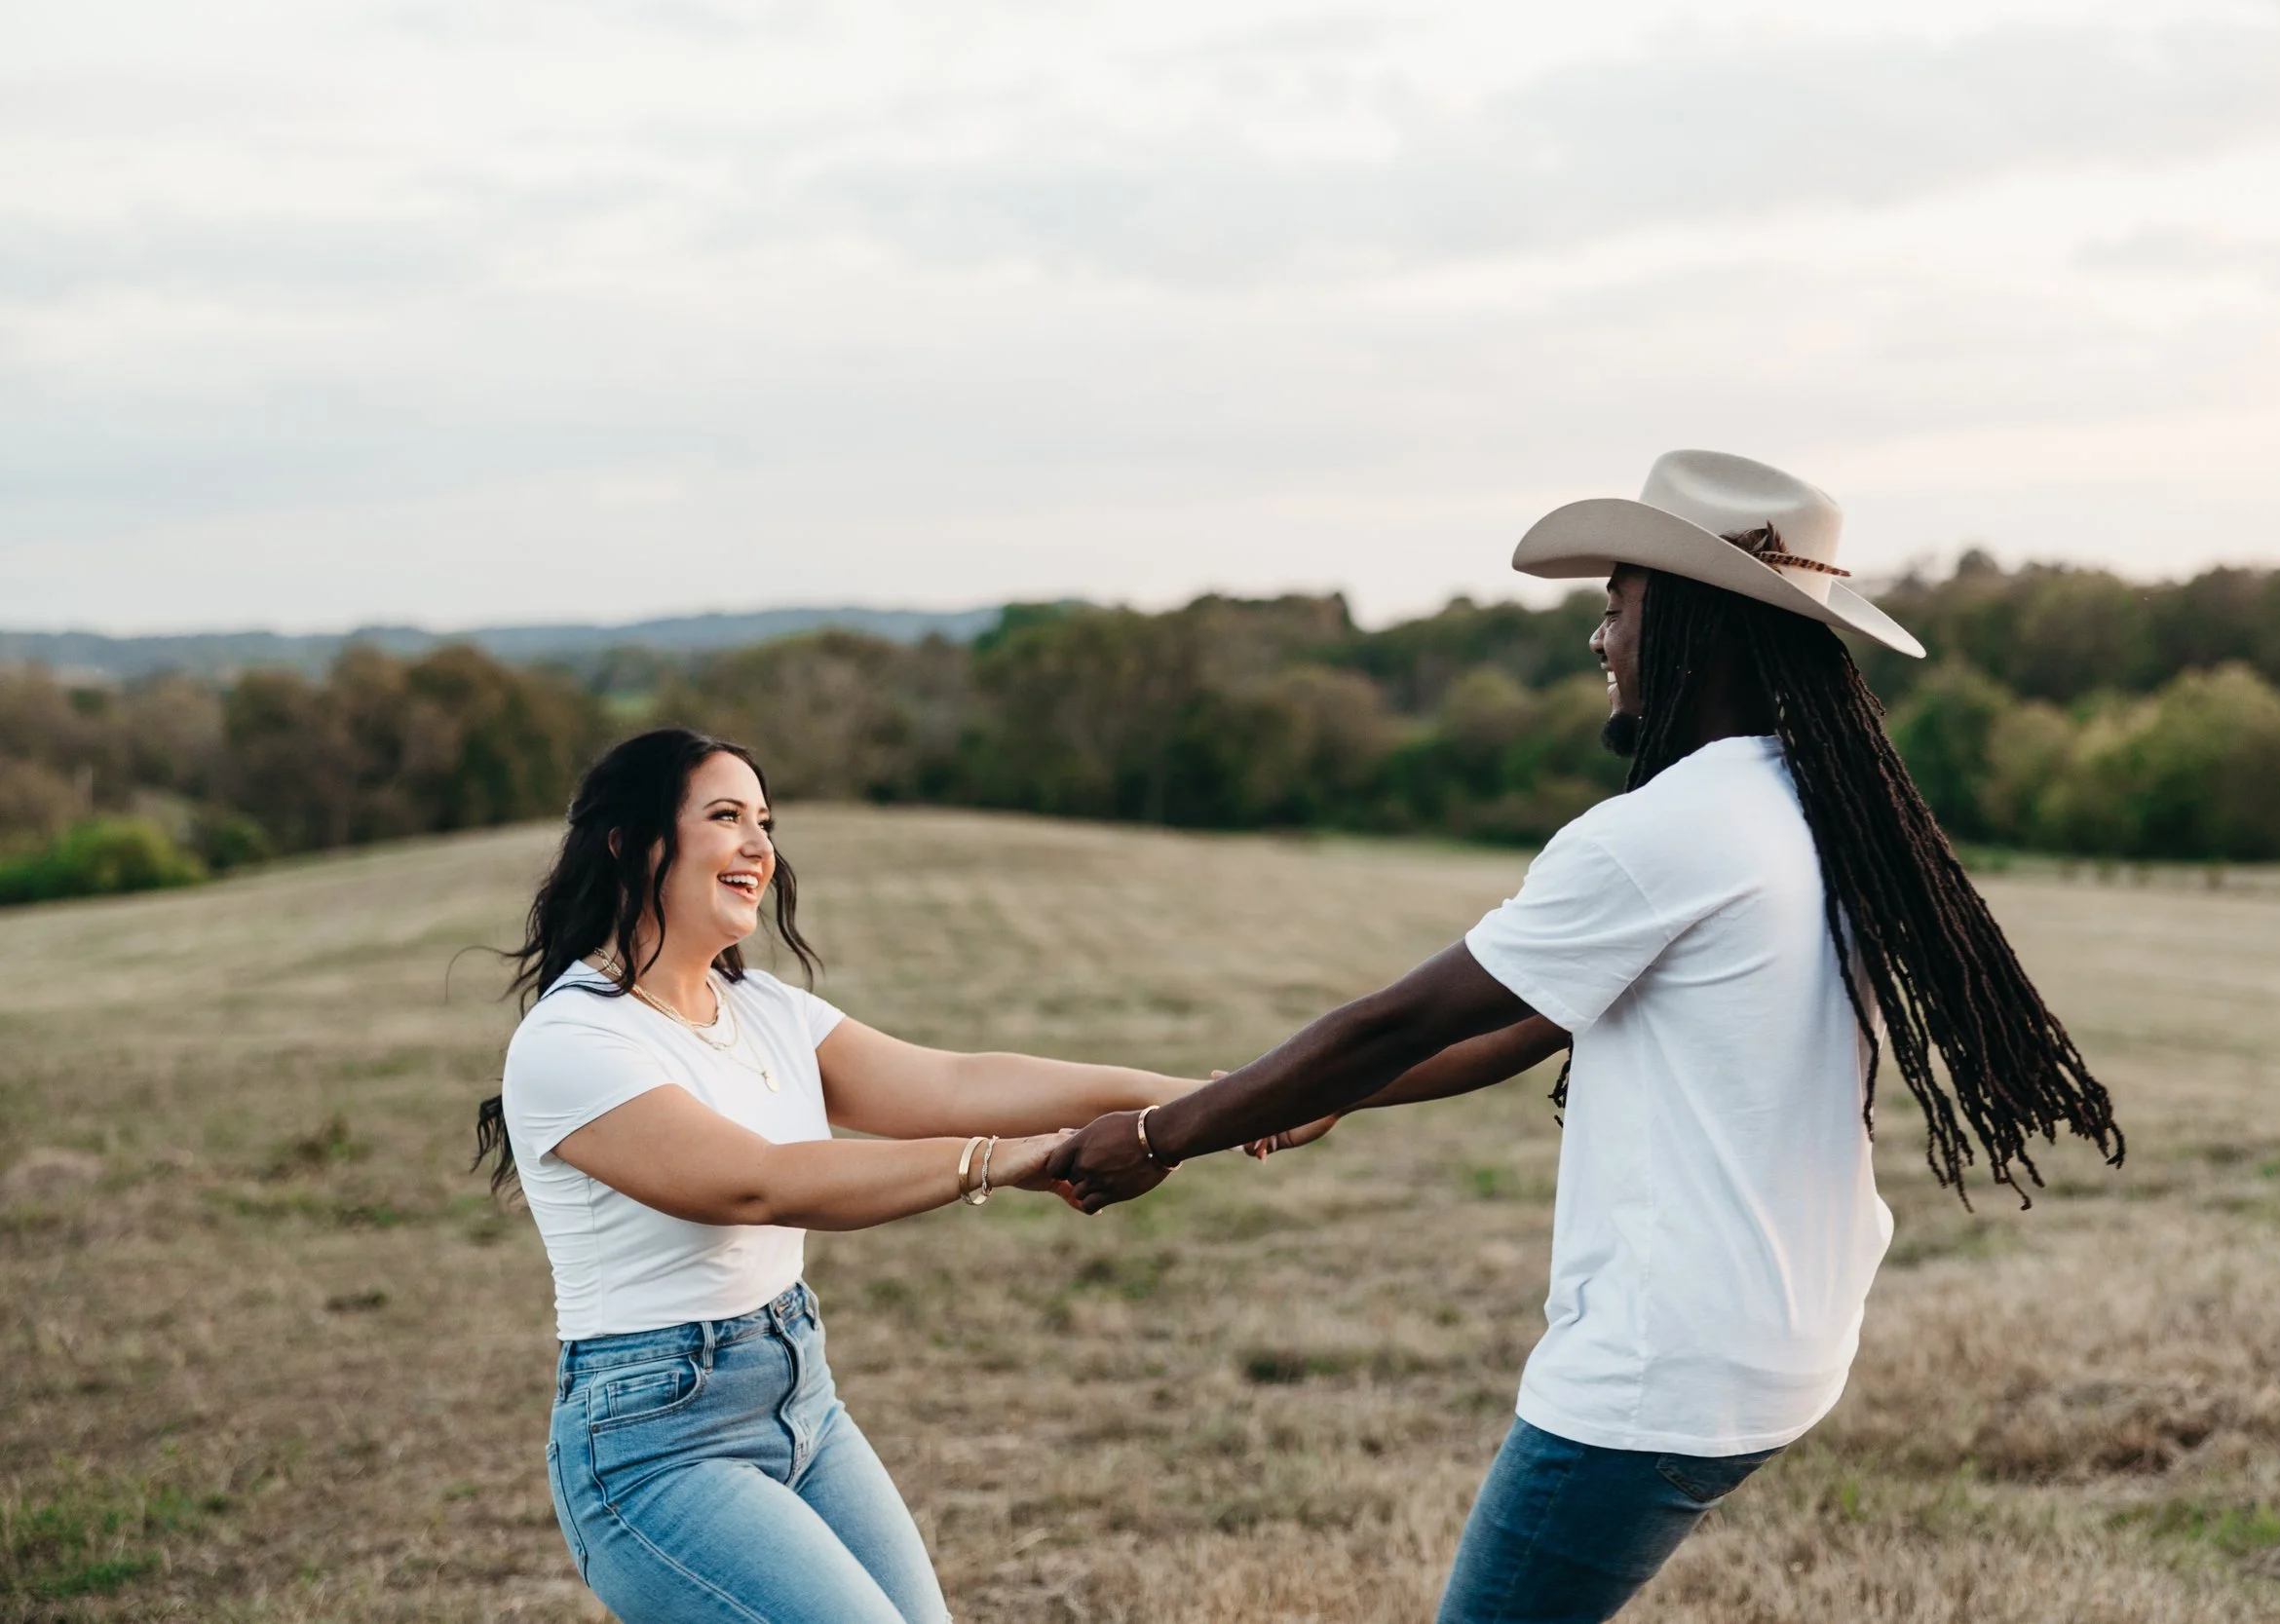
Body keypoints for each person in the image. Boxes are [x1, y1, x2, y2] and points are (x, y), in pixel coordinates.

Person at [1050, 450, 2126, 1622]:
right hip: (1780, 1332)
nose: (1600, 639)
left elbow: (1396, 1018)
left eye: (1616, 605)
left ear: (1690, 628)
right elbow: (1528, 1018)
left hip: (1659, 1370)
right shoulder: (1810, 800)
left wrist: (1158, 1135)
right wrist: (1334, 1099)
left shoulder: (1664, 830)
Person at [473, 728, 1196, 1624]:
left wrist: (1194, 1098)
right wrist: (999, 1160)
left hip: (797, 1393)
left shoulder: (762, 1006)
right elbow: (759, 1182)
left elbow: (954, 1081)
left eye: (765, 821)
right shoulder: (574, 1039)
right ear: (630, 842)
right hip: (656, 1443)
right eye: (725, 816)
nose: (758, 846)